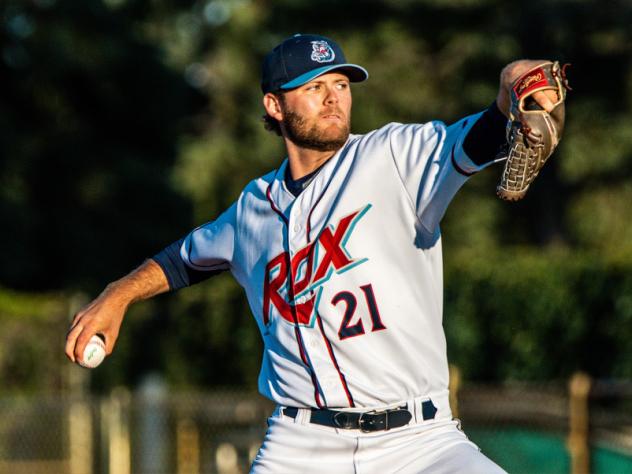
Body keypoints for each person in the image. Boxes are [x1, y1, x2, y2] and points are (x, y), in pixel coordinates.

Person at [66, 34, 558, 473]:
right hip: (302, 445)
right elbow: (181, 260)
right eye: (313, 86)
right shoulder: (251, 210)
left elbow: (479, 135)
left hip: (421, 442)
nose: (333, 98)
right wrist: (118, 294)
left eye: (341, 85)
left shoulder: (393, 157)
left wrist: (512, 92)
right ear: (275, 106)